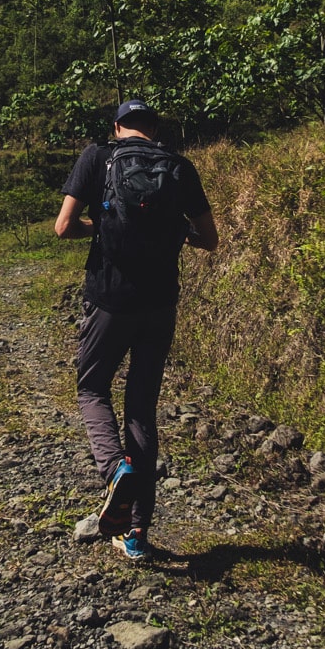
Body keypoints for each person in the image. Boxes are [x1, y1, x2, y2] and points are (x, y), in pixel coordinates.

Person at [55, 99, 218, 562]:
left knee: (91, 389)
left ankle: (114, 470)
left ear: (117, 127)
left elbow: (63, 228)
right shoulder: (180, 167)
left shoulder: (97, 156)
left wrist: (101, 227)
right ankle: (137, 532)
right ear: (154, 129)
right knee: (141, 409)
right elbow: (209, 239)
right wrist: (174, 231)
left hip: (110, 299)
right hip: (160, 303)